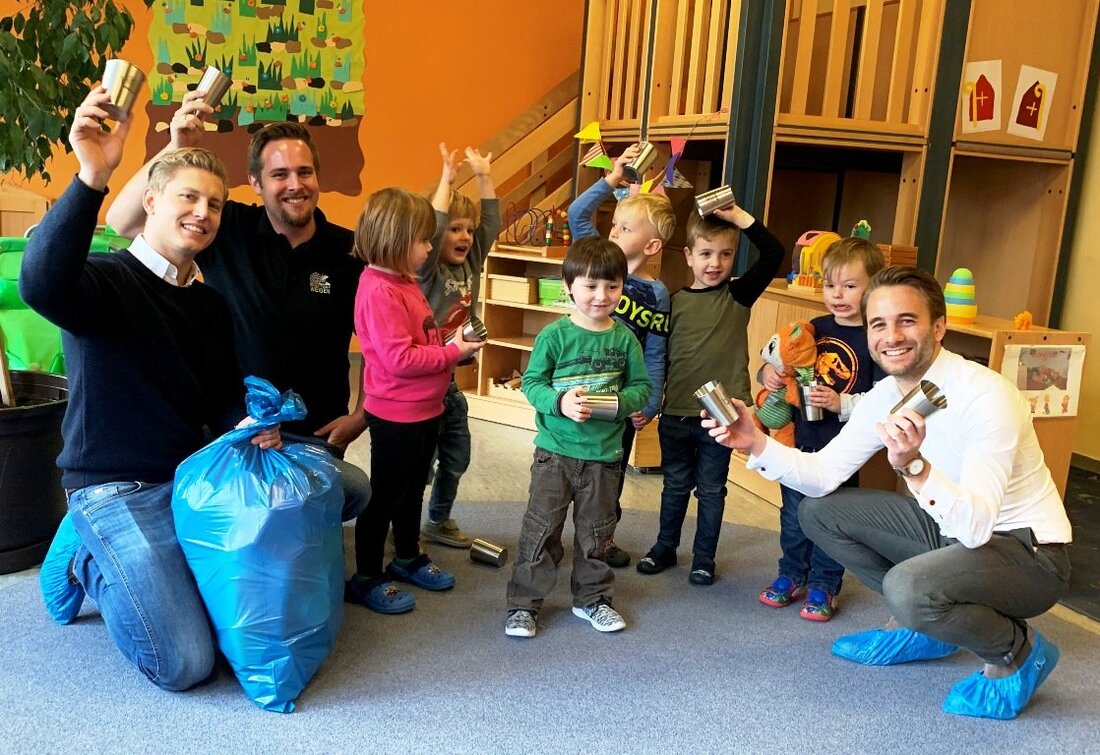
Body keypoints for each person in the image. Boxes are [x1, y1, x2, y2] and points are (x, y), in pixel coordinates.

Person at [706, 265, 1072, 720]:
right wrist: (755, 442)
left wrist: (915, 468)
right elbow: (823, 475)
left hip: (1026, 553)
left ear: (938, 327)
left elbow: (977, 527)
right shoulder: (885, 395)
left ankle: (1018, 653)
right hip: (951, 534)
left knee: (907, 586)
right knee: (819, 512)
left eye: (906, 320)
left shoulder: (987, 395)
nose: (890, 336)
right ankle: (928, 625)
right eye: (878, 323)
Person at [26, 86, 280, 691]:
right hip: (112, 486)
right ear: (151, 202)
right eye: (188, 197)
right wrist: (92, 177)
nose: (202, 212)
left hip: (184, 480)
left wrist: (253, 425)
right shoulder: (105, 278)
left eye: (215, 204)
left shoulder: (210, 304)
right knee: (186, 662)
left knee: (334, 494)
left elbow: (218, 397)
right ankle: (85, 552)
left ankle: (100, 546)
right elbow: (40, 282)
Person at [105, 91, 370, 523]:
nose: (295, 185)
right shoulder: (228, 227)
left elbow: (383, 337)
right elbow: (122, 220)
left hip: (310, 436)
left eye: (305, 172)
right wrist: (176, 146)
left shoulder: (350, 251)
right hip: (231, 429)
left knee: (354, 491)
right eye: (279, 174)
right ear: (256, 181)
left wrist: (362, 413)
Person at [345, 188, 485, 614]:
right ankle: (367, 576)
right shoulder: (378, 290)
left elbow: (419, 337)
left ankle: (407, 556)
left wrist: (450, 341)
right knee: (385, 497)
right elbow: (399, 358)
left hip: (426, 408)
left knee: (411, 492)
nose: (430, 247)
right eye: (424, 240)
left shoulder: (403, 281)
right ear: (395, 240)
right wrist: (452, 352)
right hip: (397, 414)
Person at [504, 238, 650, 638]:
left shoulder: (624, 339)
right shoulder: (554, 336)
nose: (601, 296)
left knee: (598, 534)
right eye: (590, 286)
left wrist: (619, 403)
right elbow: (532, 384)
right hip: (555, 454)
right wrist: (560, 401)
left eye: (612, 286)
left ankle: (593, 600)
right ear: (568, 286)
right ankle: (523, 605)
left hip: (605, 456)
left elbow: (640, 388)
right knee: (541, 530)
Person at [635, 204, 783, 585]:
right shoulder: (673, 301)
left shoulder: (737, 295)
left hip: (723, 419)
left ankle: (704, 559)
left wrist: (738, 218)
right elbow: (657, 357)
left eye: (725, 254)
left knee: (713, 490)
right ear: (688, 256)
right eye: (705, 253)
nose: (715, 263)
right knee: (674, 486)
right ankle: (665, 547)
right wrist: (650, 403)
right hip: (675, 415)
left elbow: (774, 254)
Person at [757, 238, 886, 621]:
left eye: (850, 286)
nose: (838, 295)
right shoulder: (815, 326)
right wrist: (768, 373)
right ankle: (791, 574)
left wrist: (840, 403)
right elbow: (775, 356)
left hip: (842, 451)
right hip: (801, 442)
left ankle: (825, 584)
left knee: (831, 521)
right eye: (831, 286)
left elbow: (883, 400)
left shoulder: (874, 339)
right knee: (793, 516)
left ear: (873, 288)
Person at [566, 143, 674, 568]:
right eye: (614, 224)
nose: (613, 232)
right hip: (576, 385)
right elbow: (578, 215)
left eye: (625, 229)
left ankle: (602, 537)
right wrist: (610, 180)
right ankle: (557, 531)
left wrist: (650, 401)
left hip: (621, 399)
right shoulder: (595, 260)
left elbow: (656, 349)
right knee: (566, 464)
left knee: (609, 473)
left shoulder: (656, 293)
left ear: (651, 246)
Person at [418, 142, 501, 548]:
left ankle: (438, 520)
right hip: (423, 381)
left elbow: (490, 226)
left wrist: (484, 178)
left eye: (467, 229)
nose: (465, 235)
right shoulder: (426, 269)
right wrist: (446, 182)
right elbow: (430, 229)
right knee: (421, 463)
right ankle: (403, 526)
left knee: (457, 456)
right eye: (455, 228)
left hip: (448, 383)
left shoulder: (470, 261)